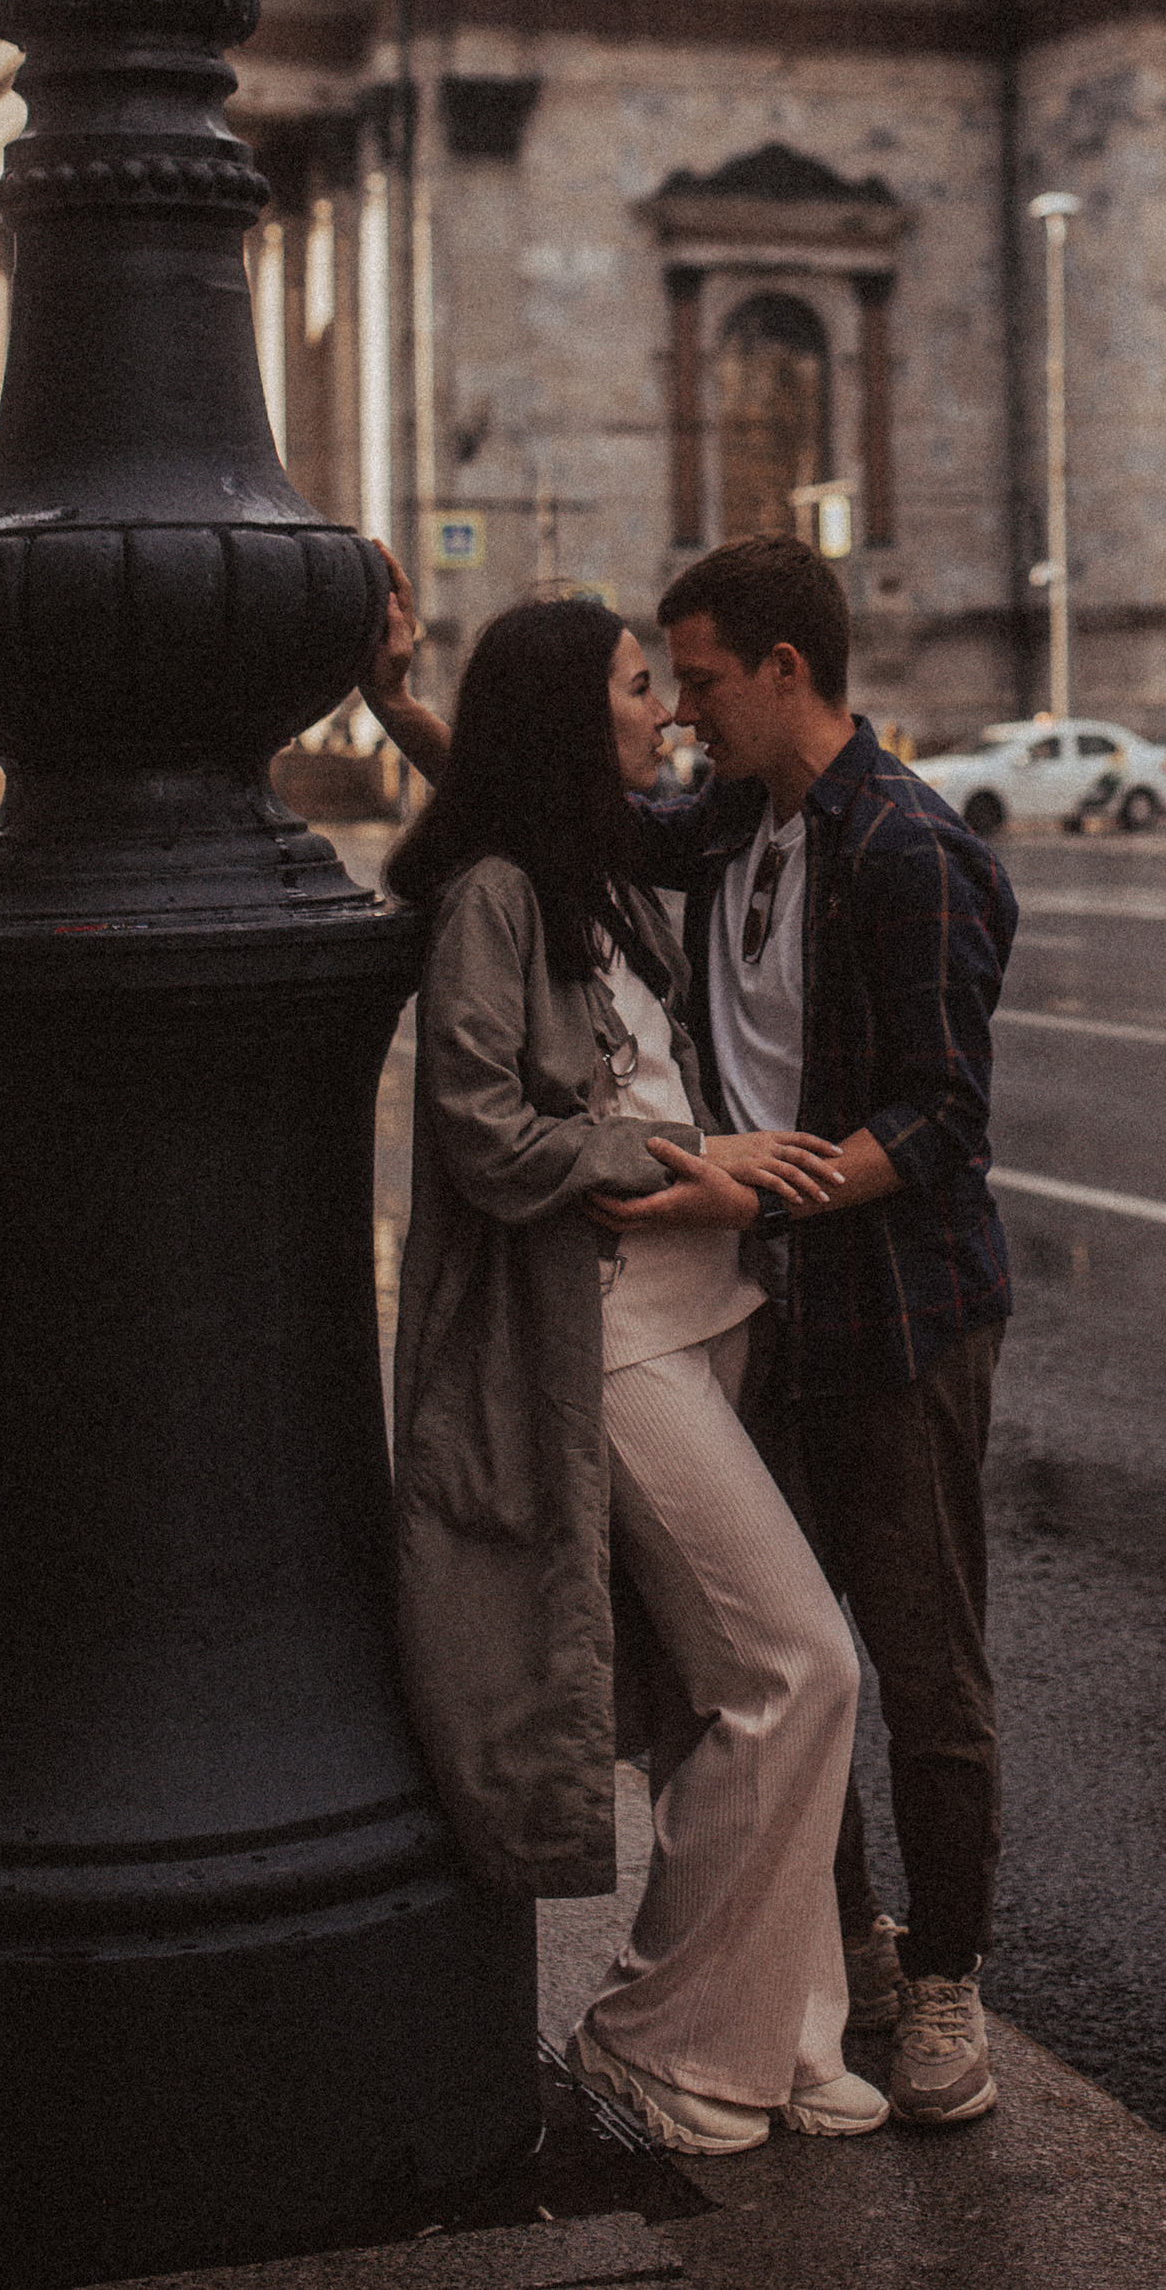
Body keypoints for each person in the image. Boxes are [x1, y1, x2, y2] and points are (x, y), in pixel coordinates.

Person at [372, 536, 1018, 2133]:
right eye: (652, 685)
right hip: (737, 1311)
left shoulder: (905, 849)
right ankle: (811, 1993)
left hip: (888, 1305)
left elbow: (940, 1119)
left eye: (699, 680)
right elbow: (541, 802)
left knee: (908, 1666)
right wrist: (394, 704)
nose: (678, 715)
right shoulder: (737, 822)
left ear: (782, 673)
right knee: (780, 1667)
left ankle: (936, 1983)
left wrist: (752, 1201)